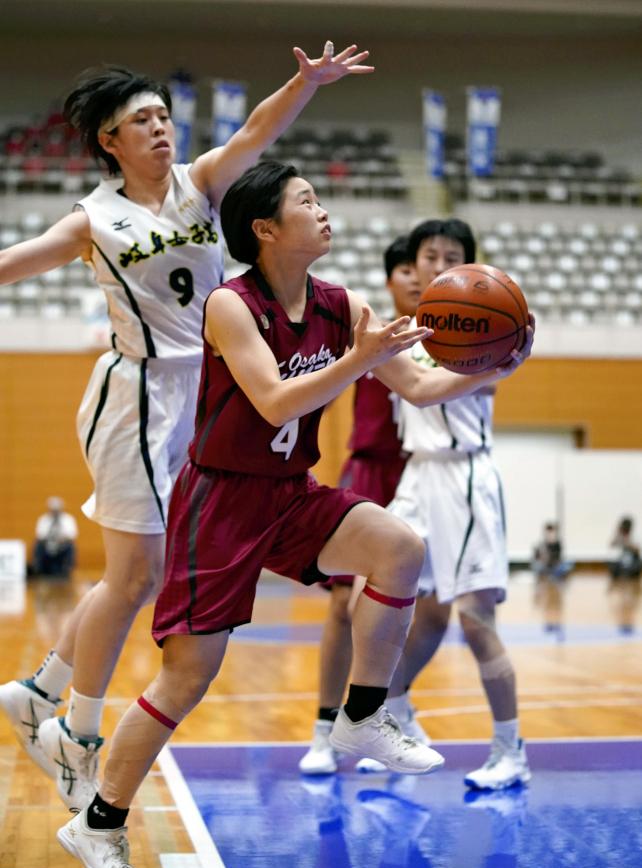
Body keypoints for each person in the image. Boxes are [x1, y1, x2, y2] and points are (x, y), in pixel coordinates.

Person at [55, 161, 533, 868]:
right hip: (218, 504)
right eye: (307, 201)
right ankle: (98, 820)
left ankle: (363, 715)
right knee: (187, 678)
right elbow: (275, 403)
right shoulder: (229, 304)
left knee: (399, 547)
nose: (324, 210)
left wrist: (494, 362)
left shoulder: (341, 303)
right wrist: (358, 360)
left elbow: (421, 384)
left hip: (289, 493)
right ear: (266, 228)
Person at [0, 40, 377, 810]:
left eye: (166, 115)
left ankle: (39, 690)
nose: (161, 128)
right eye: (143, 120)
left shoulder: (199, 185)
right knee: (134, 574)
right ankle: (76, 731)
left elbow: (255, 137)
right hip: (139, 396)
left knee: (143, 575)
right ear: (111, 140)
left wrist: (304, 84)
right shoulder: (92, 220)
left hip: (204, 391)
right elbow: (16, 261)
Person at [355, 218, 532, 790]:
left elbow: (491, 378)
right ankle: (396, 717)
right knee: (402, 609)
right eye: (429, 254)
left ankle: (511, 749)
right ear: (415, 263)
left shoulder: (483, 328)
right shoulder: (402, 332)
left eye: (451, 255)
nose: (437, 264)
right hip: (416, 475)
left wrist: (506, 358)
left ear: (470, 270)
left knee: (476, 621)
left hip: (465, 476)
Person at [299, 235, 420, 774]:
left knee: (412, 608)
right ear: (390, 279)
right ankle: (326, 728)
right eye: (405, 269)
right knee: (343, 607)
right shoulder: (368, 330)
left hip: (420, 474)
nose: (417, 277)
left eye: (429, 266)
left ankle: (388, 714)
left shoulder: (456, 340)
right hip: (371, 470)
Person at [29, 497, 78, 579]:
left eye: (57, 510)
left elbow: (72, 535)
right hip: (46, 545)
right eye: (53, 510)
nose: (55, 512)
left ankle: (67, 569)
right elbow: (39, 535)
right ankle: (38, 568)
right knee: (37, 545)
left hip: (63, 546)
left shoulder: (68, 519)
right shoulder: (43, 519)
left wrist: (61, 539)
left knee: (71, 546)